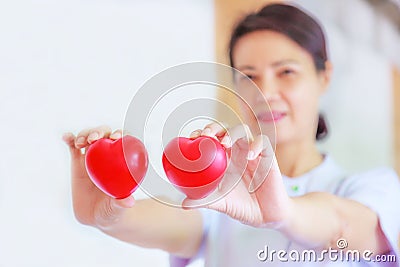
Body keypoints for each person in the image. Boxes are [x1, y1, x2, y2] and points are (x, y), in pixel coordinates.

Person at [63, 3, 400, 266]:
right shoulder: (225, 190)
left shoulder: (374, 187)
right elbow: (177, 224)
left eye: (286, 72)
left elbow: (348, 230)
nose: (265, 92)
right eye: (249, 75)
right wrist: (109, 215)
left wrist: (283, 213)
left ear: (324, 77)